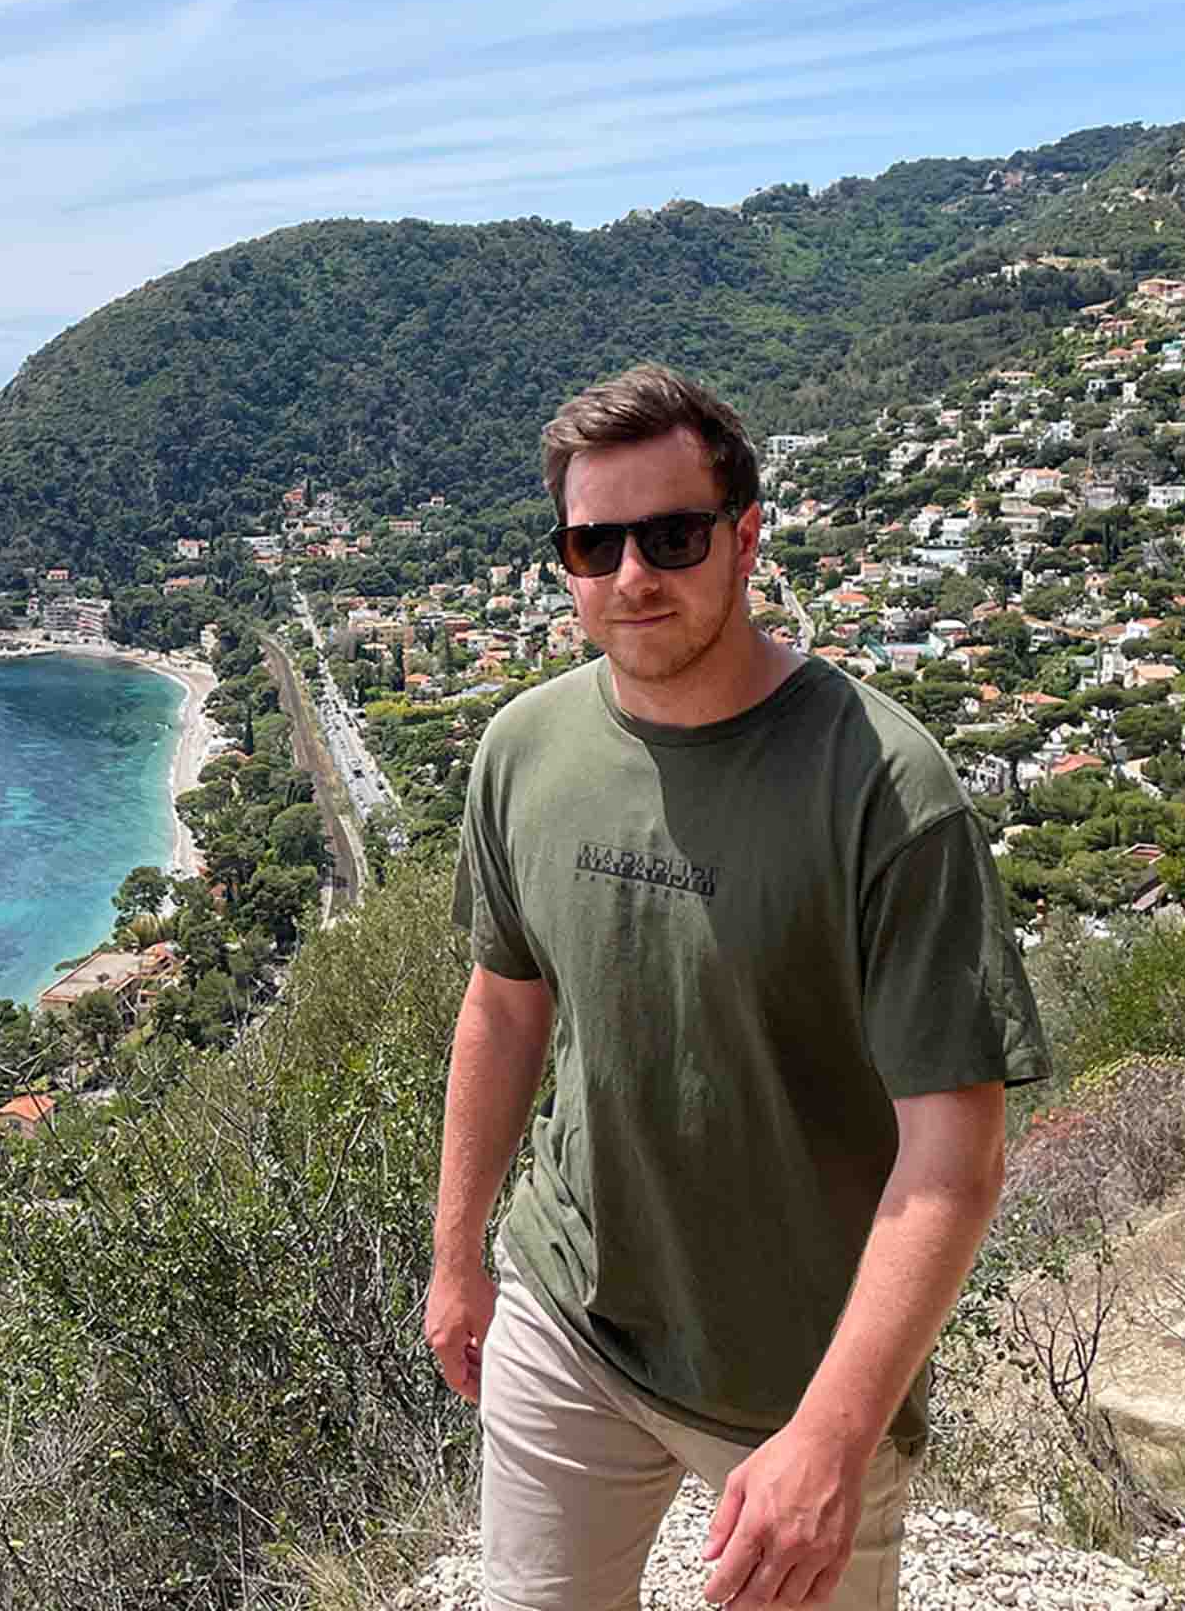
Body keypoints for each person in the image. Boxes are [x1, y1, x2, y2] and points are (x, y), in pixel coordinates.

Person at [428, 365, 1048, 1611]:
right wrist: (457, 1257)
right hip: (571, 1305)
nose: (630, 576)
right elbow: (503, 1003)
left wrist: (833, 1436)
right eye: (591, 544)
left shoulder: (884, 788)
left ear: (744, 534)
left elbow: (954, 1154)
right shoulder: (523, 751)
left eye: (670, 535)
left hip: (798, 1377)